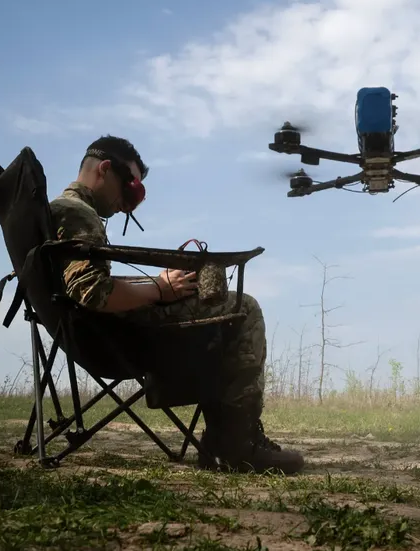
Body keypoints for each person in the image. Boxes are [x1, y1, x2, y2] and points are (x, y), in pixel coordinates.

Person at [47, 134, 304, 475]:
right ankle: (234, 444)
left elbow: (86, 287)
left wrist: (162, 285)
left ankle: (225, 439)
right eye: (129, 187)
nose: (128, 202)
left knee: (207, 300)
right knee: (244, 309)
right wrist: (159, 289)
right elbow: (94, 293)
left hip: (91, 335)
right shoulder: (77, 213)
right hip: (118, 340)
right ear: (105, 169)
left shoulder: (60, 210)